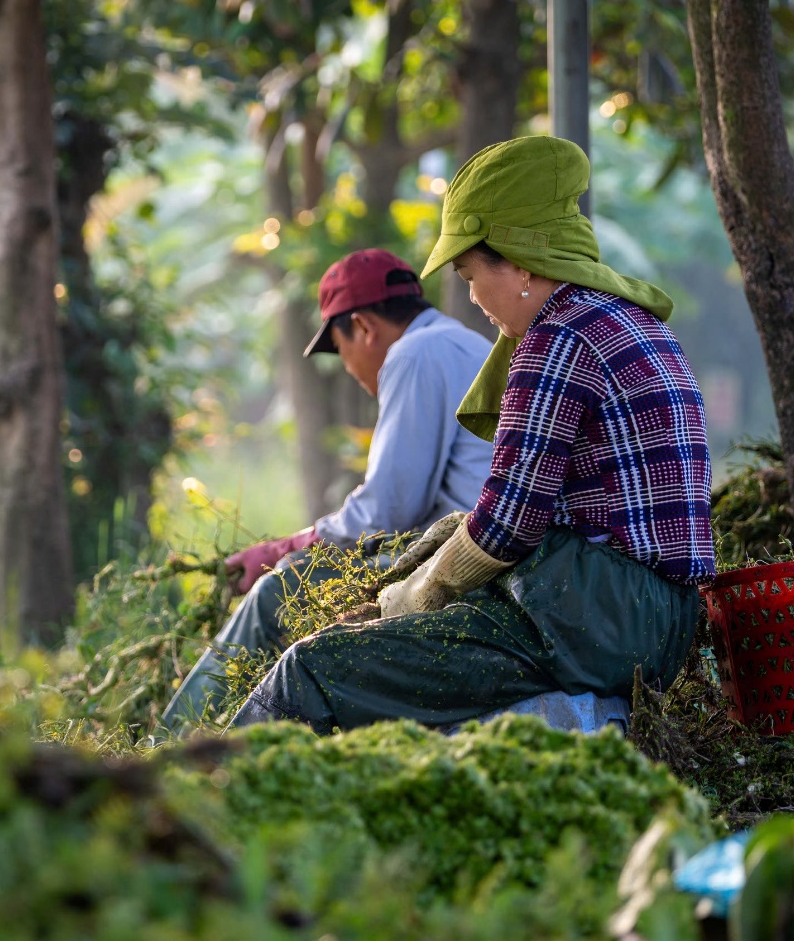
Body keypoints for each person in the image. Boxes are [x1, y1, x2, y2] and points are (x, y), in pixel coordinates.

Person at [230, 136, 715, 733]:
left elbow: (511, 522)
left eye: (468, 273)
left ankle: (185, 804)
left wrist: (415, 597)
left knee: (312, 669)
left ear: (519, 265)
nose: (470, 297)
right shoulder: (628, 319)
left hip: (598, 620)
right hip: (658, 620)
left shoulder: (556, 339)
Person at [159, 248, 494, 731]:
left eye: (340, 350)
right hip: (471, 548)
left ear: (362, 326)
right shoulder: (463, 342)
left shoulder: (414, 354)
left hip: (462, 563)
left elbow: (388, 510)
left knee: (282, 588)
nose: (352, 369)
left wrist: (292, 547)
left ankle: (168, 746)